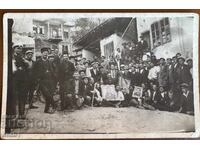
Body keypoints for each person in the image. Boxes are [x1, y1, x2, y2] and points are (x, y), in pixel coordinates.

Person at [33, 47, 56, 114]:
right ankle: (54, 105)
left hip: (50, 81)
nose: (46, 54)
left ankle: (46, 110)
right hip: (42, 81)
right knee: (47, 95)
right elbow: (34, 72)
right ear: (41, 53)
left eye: (47, 53)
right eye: (44, 53)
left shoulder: (50, 62)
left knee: (49, 95)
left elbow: (53, 70)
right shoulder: (37, 62)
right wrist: (37, 78)